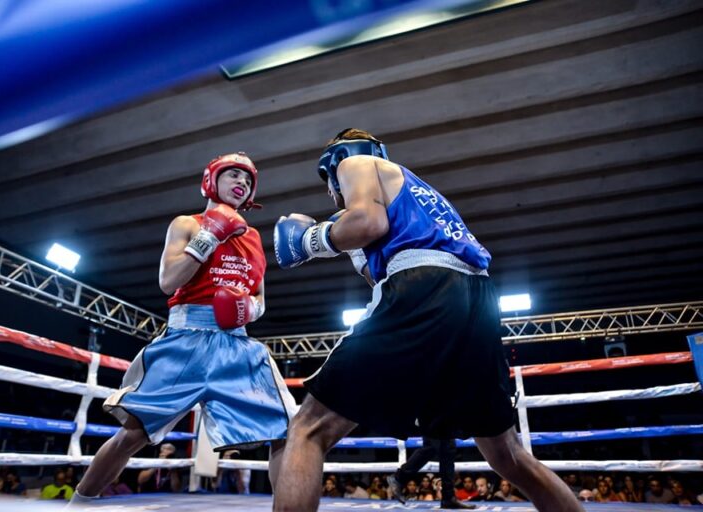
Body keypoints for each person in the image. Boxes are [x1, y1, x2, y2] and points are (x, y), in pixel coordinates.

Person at [272, 128, 584, 512]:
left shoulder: (356, 163)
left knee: (308, 429)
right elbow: (382, 267)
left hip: (425, 287)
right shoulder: (420, 194)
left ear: (334, 164)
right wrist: (356, 252)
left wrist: (309, 240)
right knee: (509, 456)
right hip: (477, 300)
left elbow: (368, 224)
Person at [70, 152, 297, 504]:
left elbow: (260, 301)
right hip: (186, 339)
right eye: (233, 175)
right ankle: (78, 505)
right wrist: (208, 236)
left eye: (248, 180)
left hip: (236, 344)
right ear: (211, 180)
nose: (242, 183)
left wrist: (245, 308)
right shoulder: (186, 224)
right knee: (133, 434)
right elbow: (168, 281)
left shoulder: (253, 238)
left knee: (286, 430)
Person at [387, 437, 474, 509]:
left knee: (448, 448)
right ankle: (399, 477)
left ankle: (448, 497)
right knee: (432, 446)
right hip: (431, 416)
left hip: (443, 416)